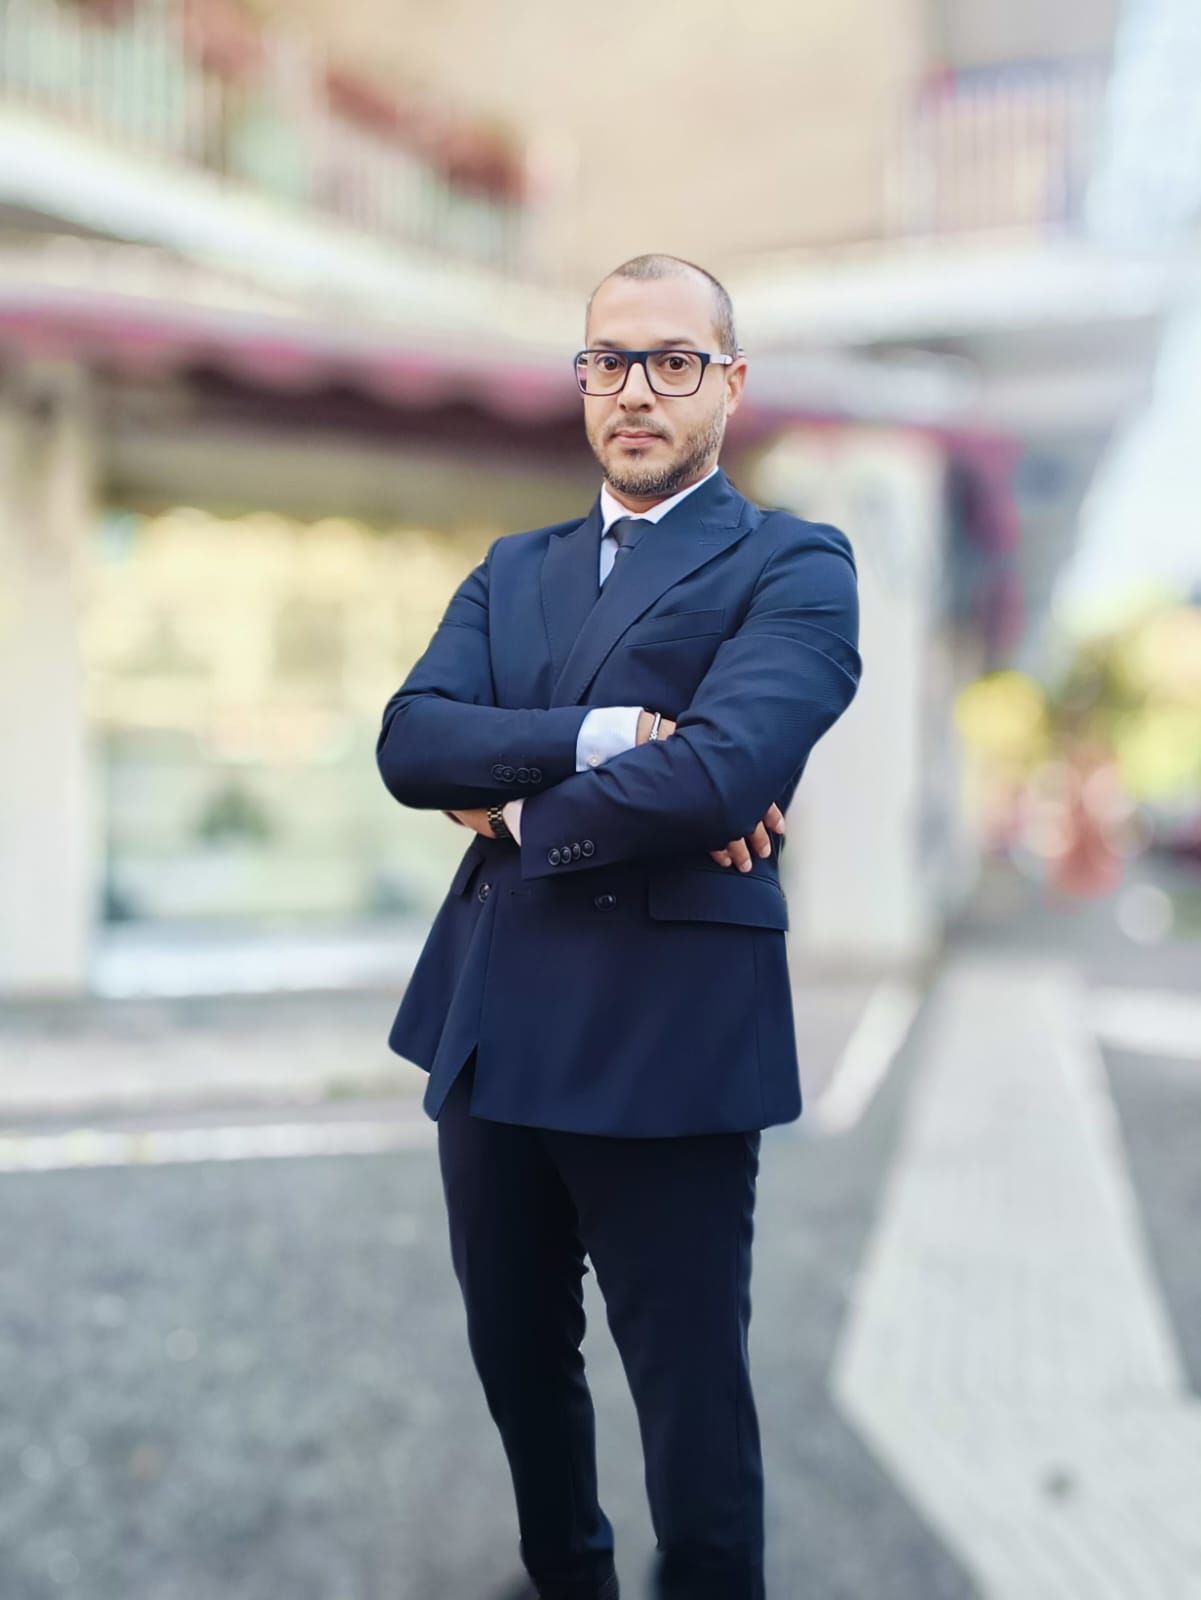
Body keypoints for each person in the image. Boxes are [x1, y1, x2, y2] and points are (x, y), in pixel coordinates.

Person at [375, 253, 862, 1600]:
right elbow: (413, 745)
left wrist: (516, 808)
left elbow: (721, 773)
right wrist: (600, 741)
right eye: (606, 359)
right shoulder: (509, 567)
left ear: (729, 382)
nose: (633, 389)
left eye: (671, 360)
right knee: (517, 1364)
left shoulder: (795, 565)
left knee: (689, 1400)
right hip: (490, 1028)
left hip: (670, 1042)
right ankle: (564, 1578)